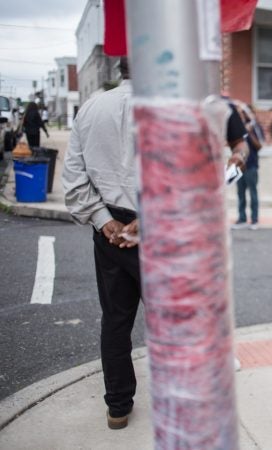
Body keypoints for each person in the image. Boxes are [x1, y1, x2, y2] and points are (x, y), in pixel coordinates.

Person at [62, 57, 141, 430]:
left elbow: (74, 180)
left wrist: (103, 220)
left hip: (109, 229)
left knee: (115, 320)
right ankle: (184, 403)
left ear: (119, 69)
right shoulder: (168, 113)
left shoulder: (91, 107)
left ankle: (118, 407)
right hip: (156, 229)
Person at [232, 101, 264, 230]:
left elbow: (259, 146)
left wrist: (249, 134)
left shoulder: (255, 128)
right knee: (240, 193)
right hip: (239, 165)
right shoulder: (238, 128)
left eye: (244, 113)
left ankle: (254, 219)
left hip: (251, 166)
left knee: (253, 193)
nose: (242, 115)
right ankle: (242, 218)